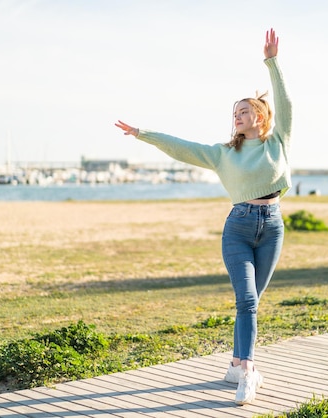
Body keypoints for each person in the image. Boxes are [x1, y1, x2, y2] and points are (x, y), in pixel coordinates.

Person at [115, 28, 292, 405]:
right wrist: (143, 133)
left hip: (273, 226)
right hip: (239, 228)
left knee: (251, 304)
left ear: (260, 116)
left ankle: (233, 363)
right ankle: (247, 372)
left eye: (244, 111)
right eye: (234, 114)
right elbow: (183, 147)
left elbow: (287, 104)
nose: (238, 117)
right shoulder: (222, 154)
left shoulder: (278, 142)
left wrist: (272, 62)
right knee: (247, 302)